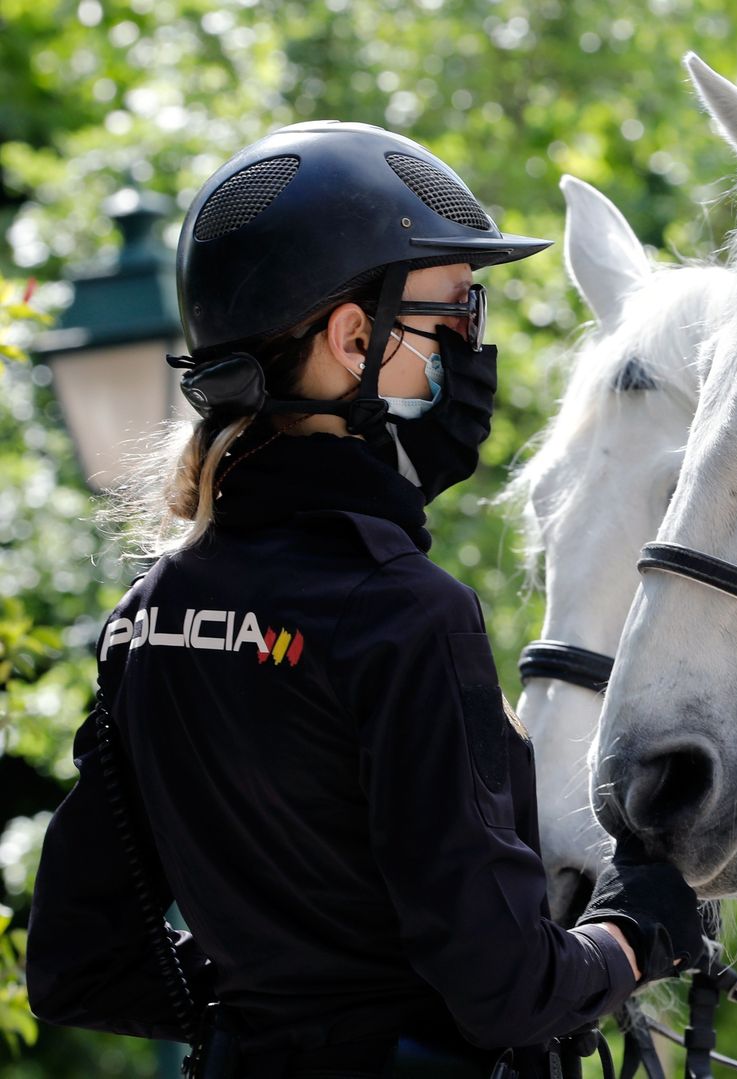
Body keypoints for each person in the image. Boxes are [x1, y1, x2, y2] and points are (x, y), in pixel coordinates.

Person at [24, 121, 702, 1079]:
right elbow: (507, 990)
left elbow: (79, 964)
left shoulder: (150, 613)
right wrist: (636, 936)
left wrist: (285, 1002)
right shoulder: (404, 614)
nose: (469, 349)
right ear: (353, 338)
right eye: (454, 317)